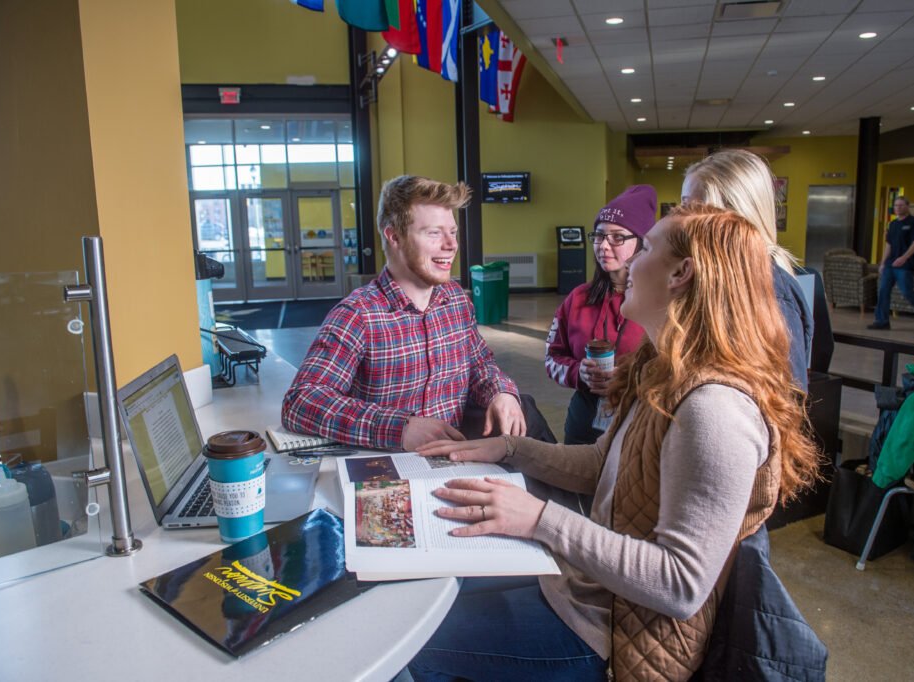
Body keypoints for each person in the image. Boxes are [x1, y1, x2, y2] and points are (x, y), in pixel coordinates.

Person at [407, 204, 820, 681]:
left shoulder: (714, 410)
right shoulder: (664, 368)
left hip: (616, 635)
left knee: (410, 643)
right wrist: (509, 450)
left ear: (681, 273)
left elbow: (680, 584)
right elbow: (605, 465)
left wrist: (538, 517)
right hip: (585, 590)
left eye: (644, 247)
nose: (625, 261)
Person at [281, 175, 525, 451]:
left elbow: (479, 363)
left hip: (455, 460)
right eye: (434, 233)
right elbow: (301, 402)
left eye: (453, 232)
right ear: (394, 236)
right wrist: (401, 427)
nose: (451, 245)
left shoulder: (456, 300)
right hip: (387, 469)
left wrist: (501, 391)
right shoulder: (358, 315)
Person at [681, 149, 816, 390]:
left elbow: (785, 398)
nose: (682, 220)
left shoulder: (774, 292)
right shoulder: (711, 277)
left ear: (735, 216)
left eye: (696, 210)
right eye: (683, 206)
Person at [545, 185, 652, 445]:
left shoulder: (660, 301)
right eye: (599, 236)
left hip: (640, 419)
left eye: (617, 237)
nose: (603, 246)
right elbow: (552, 358)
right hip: (585, 419)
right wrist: (577, 373)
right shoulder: (578, 298)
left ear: (641, 242)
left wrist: (632, 377)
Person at [868, 196, 914, 332]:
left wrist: (904, 258)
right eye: (896, 205)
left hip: (905, 265)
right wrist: (882, 263)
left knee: (907, 291)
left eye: (901, 205)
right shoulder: (893, 224)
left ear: (907, 206)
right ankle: (881, 320)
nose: (898, 208)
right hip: (890, 264)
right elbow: (888, 244)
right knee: (883, 291)